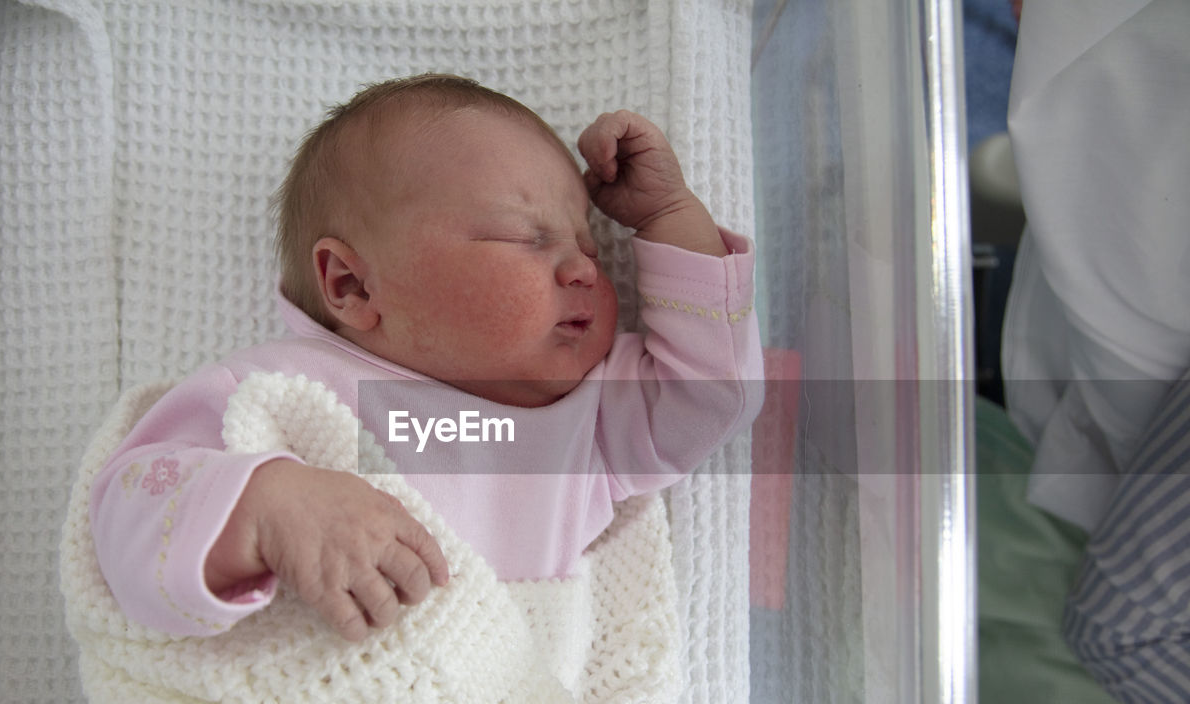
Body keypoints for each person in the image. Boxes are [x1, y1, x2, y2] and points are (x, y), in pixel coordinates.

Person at [88, 73, 762, 642]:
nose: (584, 269)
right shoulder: (279, 388)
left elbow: (711, 394)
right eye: (527, 237)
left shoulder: (581, 422)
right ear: (352, 285)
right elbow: (127, 513)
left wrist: (670, 215)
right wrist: (267, 505)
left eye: (588, 246)